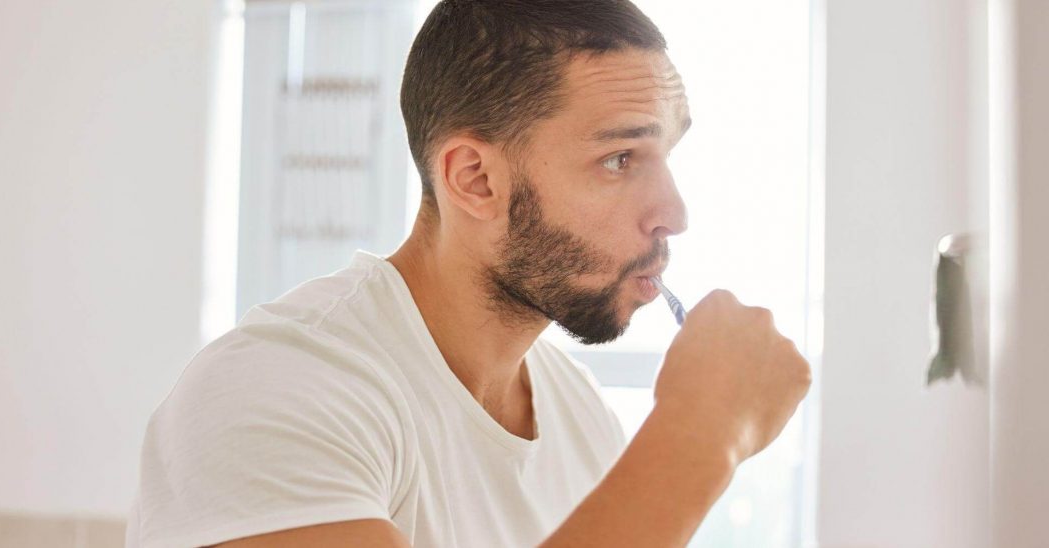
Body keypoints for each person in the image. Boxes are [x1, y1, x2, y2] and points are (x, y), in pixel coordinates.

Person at [126, 0, 811, 546]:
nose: (672, 213)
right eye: (618, 160)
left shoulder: (579, 417)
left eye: (664, 156)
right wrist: (701, 433)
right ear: (475, 180)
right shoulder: (274, 389)